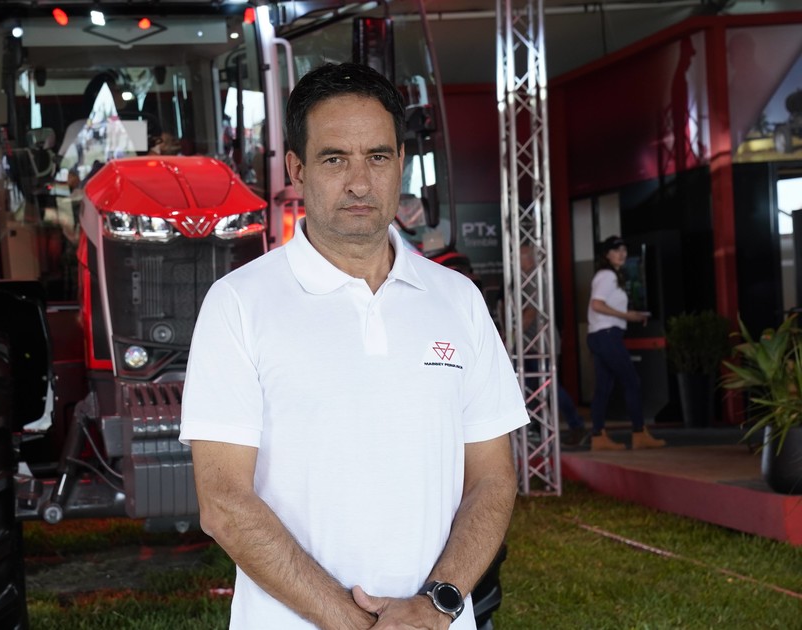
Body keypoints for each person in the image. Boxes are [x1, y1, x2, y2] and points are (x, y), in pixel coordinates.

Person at [180, 62, 528, 630]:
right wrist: (358, 623)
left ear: (401, 163)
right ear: (297, 169)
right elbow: (222, 501)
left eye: (378, 157)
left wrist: (437, 603)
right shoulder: (239, 303)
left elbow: (492, 477)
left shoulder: (457, 299)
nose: (360, 183)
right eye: (335, 158)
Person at [587, 236, 665, 450]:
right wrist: (627, 315)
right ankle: (639, 432)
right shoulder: (607, 276)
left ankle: (598, 436)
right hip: (607, 335)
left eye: (623, 249)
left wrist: (631, 315)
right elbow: (597, 305)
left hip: (600, 335)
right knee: (631, 381)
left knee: (604, 386)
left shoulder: (608, 275)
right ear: (607, 255)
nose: (621, 254)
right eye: (616, 250)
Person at [518, 244, 590, 447]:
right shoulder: (532, 277)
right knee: (535, 386)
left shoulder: (533, 278)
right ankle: (538, 428)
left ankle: (575, 425)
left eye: (518, 257)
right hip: (536, 343)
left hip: (538, 343)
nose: (515, 261)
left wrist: (513, 337)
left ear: (528, 258)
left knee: (547, 385)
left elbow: (530, 313)